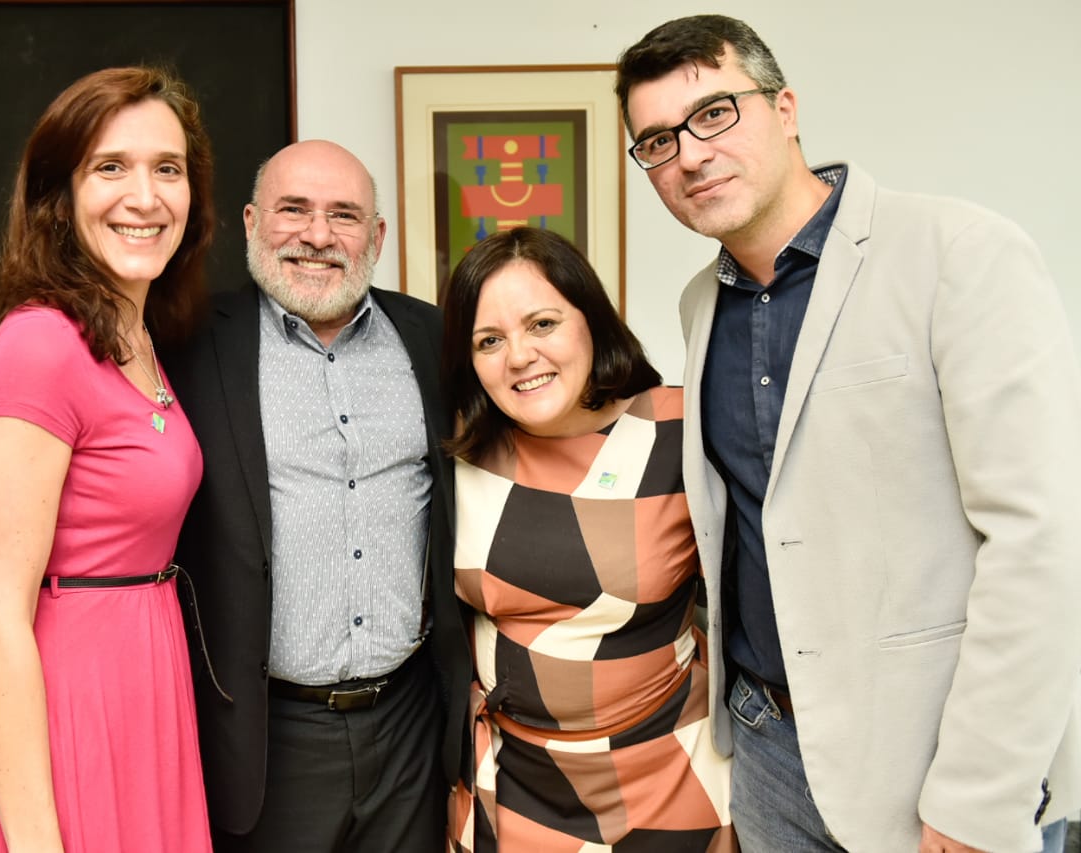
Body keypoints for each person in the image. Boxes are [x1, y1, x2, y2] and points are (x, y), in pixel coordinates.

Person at [614, 14, 1081, 853]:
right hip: (767, 746)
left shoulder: (959, 252)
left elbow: (1040, 541)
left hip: (936, 765)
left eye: (714, 113)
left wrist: (979, 793)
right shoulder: (699, 304)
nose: (689, 154)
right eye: (657, 141)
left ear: (785, 108)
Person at [0, 139, 471, 852]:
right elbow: (112, 483)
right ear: (251, 222)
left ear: (376, 236)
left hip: (410, 724)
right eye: (293, 209)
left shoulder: (434, 339)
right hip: (263, 734)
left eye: (344, 215)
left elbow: (505, 469)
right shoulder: (177, 343)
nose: (317, 235)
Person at [0, 67, 215, 852]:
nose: (145, 197)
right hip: (55, 720)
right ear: (60, 194)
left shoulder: (141, 336)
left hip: (141, 700)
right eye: (110, 167)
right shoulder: (38, 343)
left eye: (168, 168)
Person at [440, 227, 735, 851]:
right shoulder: (457, 453)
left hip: (671, 769)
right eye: (489, 340)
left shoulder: (680, 431)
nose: (519, 356)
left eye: (542, 324)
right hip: (515, 780)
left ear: (590, 320)